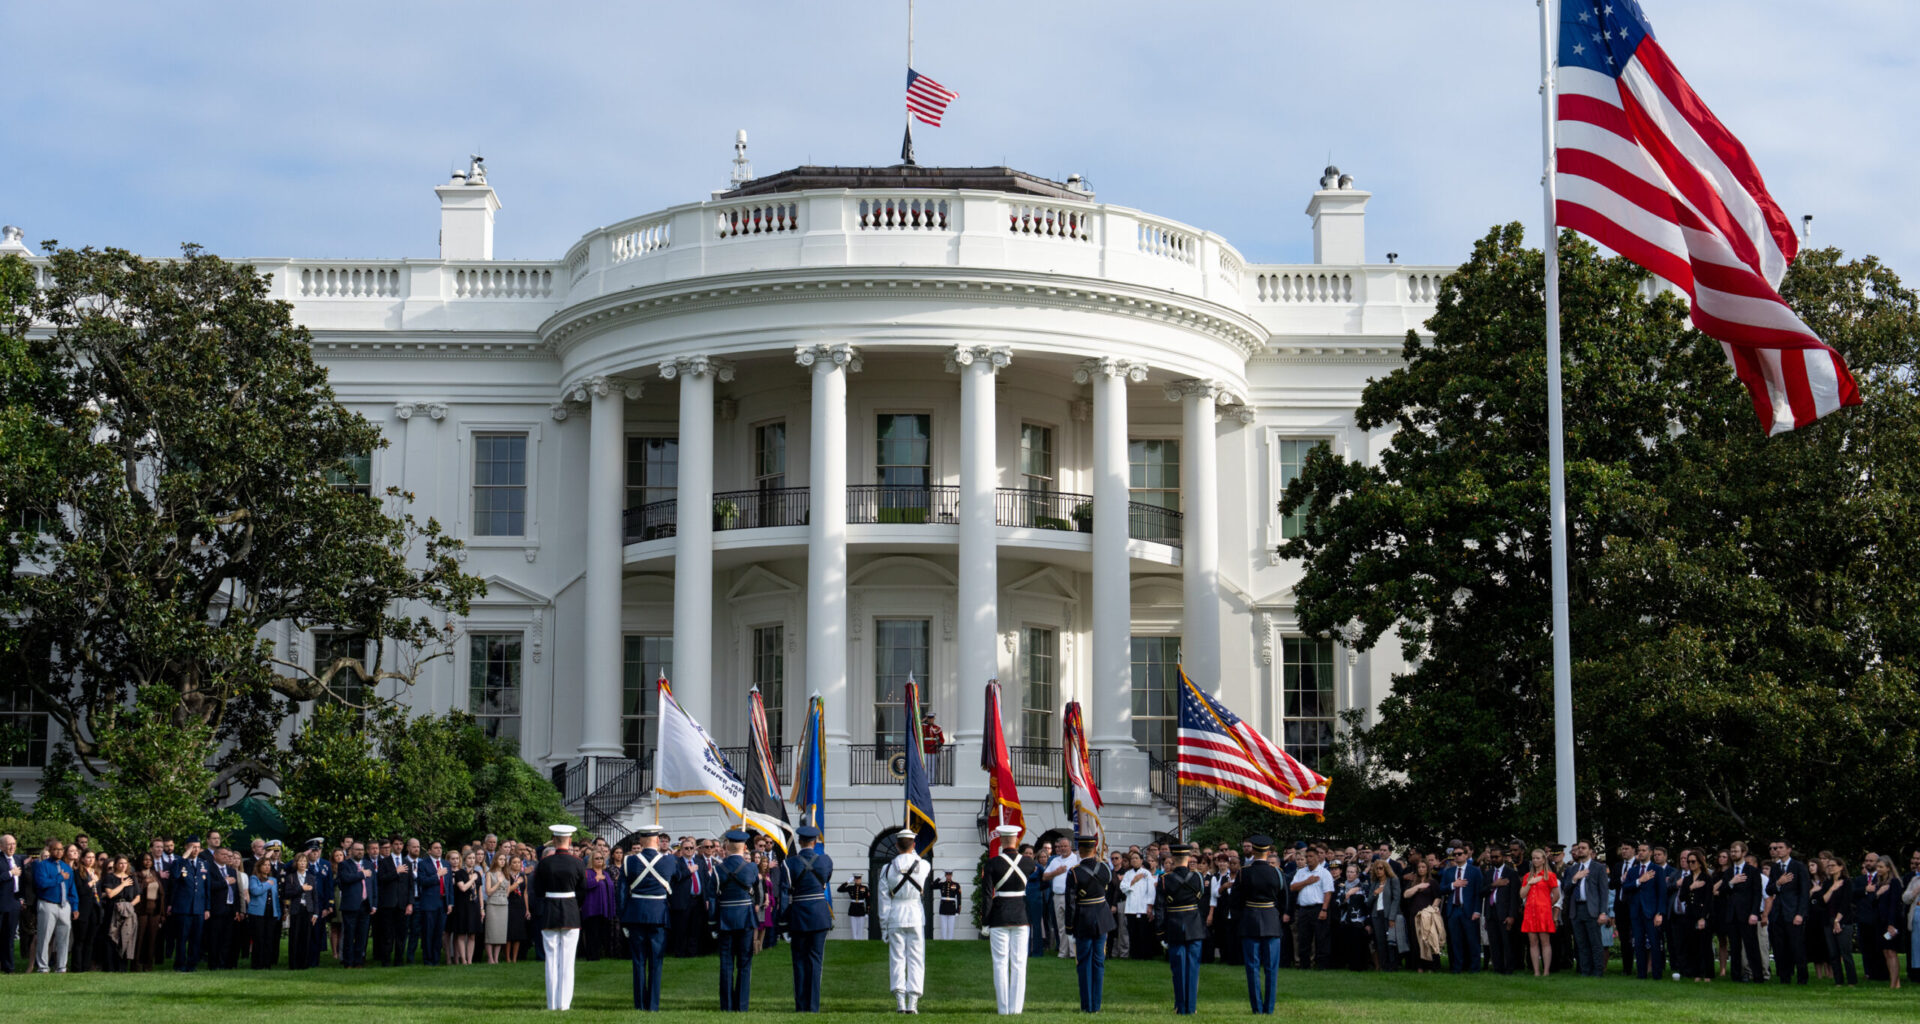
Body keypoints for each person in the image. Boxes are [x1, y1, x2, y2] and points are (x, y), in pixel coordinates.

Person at [620, 823, 684, 1011]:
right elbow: (679, 876)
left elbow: (622, 894)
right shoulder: (669, 861)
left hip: (635, 914)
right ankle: (653, 1005)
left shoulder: (628, 861)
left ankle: (639, 1004)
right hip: (658, 913)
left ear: (640, 840)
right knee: (656, 962)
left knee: (638, 961)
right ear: (657, 840)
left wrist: (623, 919)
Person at [531, 824, 587, 1010]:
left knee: (551, 959)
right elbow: (582, 890)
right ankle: (564, 1005)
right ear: (570, 840)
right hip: (570, 910)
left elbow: (538, 890)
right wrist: (574, 904)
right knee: (568, 961)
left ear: (554, 840)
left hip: (550, 910)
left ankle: (552, 1004)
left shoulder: (544, 863)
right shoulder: (578, 862)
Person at [981, 826, 1034, 1016]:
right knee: (1019, 964)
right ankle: (1016, 1009)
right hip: (1021, 916)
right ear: (1017, 840)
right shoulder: (1029, 863)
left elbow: (987, 895)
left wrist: (985, 922)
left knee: (1000, 963)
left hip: (999, 917)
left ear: (1002, 841)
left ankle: (1003, 1009)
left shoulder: (992, 863)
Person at [780, 824, 833, 1013]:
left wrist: (783, 924)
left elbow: (785, 895)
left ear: (799, 841)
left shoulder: (789, 863)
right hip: (819, 914)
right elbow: (825, 881)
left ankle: (801, 1006)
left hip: (799, 915)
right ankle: (813, 1006)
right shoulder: (826, 861)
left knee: (799, 961)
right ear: (815, 841)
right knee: (815, 961)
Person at [878, 830, 930, 1014]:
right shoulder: (924, 865)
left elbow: (883, 901)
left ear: (897, 845)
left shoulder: (887, 869)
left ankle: (900, 1000)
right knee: (916, 958)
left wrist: (884, 926)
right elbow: (915, 857)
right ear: (914, 845)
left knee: (897, 958)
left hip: (895, 914)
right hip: (915, 914)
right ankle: (912, 1002)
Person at [710, 829, 762, 1012]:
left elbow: (712, 899)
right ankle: (741, 1005)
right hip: (746, 919)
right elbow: (759, 894)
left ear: (727, 846)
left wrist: (712, 924)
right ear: (745, 846)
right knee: (744, 964)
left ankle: (726, 1005)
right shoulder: (752, 868)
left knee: (726, 964)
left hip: (725, 919)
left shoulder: (717, 870)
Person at [1156, 842, 1207, 1015]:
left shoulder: (1164, 879)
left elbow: (1159, 908)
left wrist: (1161, 932)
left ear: (1172, 858)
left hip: (1174, 925)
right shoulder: (1198, 877)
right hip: (1193, 925)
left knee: (1178, 969)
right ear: (1188, 858)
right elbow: (1200, 899)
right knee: (1193, 969)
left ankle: (1180, 1006)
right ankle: (1191, 1007)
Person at [1067, 834, 1115, 1014]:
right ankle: (1096, 1005)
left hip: (1084, 918)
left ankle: (1086, 1005)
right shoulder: (1104, 868)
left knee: (1084, 962)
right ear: (1094, 849)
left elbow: (1071, 903)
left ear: (1079, 850)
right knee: (1098, 962)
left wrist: (1069, 928)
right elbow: (1109, 886)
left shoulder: (1074, 872)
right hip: (1102, 917)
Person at [1765, 839, 1810, 984]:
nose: (1777, 850)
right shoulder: (1775, 868)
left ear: (1789, 849)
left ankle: (1802, 978)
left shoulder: (1798, 867)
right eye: (1776, 848)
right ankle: (1784, 977)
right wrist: (1779, 883)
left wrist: (1800, 914)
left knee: (1797, 947)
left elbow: (1804, 892)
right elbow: (1769, 890)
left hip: (1793, 912)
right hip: (1778, 913)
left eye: (1780, 847)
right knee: (1780, 946)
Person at [1439, 842, 1483, 974]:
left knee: (1472, 940)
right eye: (1455, 855)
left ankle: (1474, 968)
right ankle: (1457, 967)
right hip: (1453, 909)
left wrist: (1477, 910)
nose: (1457, 857)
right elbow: (1441, 889)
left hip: (1469, 910)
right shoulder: (1449, 872)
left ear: (1466, 855)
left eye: (1459, 854)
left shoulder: (1474, 871)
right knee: (1455, 941)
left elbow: (1478, 893)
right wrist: (1453, 885)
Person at [1288, 844, 1333, 969]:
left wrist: (1324, 909)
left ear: (1318, 857)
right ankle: (1304, 965)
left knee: (1321, 938)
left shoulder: (1324, 873)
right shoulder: (1301, 872)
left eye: (1311, 856)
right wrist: (1307, 881)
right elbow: (1292, 887)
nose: (1308, 859)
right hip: (1303, 909)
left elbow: (1328, 892)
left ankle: (1322, 966)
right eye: (1307, 856)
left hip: (1318, 908)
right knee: (1304, 939)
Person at [1520, 848, 1559, 977]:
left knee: (1545, 941)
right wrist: (1529, 884)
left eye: (1538, 858)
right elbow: (1522, 894)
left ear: (1543, 860)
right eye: (1533, 858)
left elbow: (1556, 895)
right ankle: (1536, 971)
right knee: (1533, 942)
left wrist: (1547, 905)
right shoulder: (1528, 876)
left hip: (1543, 912)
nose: (1535, 860)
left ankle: (1546, 971)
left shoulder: (1550, 875)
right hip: (1530, 912)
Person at [338, 841, 375, 968]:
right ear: (351, 851)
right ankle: (348, 962)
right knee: (349, 934)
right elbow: (345, 879)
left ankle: (358, 961)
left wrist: (374, 903)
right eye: (357, 849)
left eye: (362, 849)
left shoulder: (369, 864)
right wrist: (362, 874)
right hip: (350, 905)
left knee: (362, 935)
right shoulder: (344, 865)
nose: (360, 852)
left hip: (365, 905)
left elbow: (373, 886)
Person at [374, 837, 411, 966]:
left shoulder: (407, 863)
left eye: (401, 844)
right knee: (387, 934)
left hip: (402, 904)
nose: (399, 846)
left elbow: (410, 885)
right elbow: (382, 879)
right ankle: (385, 961)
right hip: (388, 904)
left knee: (401, 934)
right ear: (391, 846)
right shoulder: (384, 862)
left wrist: (410, 903)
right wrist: (396, 871)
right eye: (396, 844)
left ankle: (399, 961)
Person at [1482, 845, 1518, 974]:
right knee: (1494, 942)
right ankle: (1497, 968)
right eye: (1492, 857)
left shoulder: (1511, 873)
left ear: (1503, 857)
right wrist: (1493, 885)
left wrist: (1511, 915)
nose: (1494, 859)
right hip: (1491, 911)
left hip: (1505, 912)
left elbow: (1514, 897)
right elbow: (1482, 891)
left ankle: (1509, 968)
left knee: (1507, 942)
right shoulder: (1488, 873)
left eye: (1497, 857)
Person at [241, 855, 280, 970]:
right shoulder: (254, 878)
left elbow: (276, 898)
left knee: (269, 939)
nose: (267, 867)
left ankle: (267, 964)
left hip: (271, 912)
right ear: (259, 866)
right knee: (259, 938)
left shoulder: (273, 880)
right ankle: (257, 964)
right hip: (257, 913)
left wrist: (278, 912)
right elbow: (255, 891)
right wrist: (267, 884)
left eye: (269, 865)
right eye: (265, 865)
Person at [413, 842, 448, 967]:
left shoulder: (445, 863)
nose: (439, 850)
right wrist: (437, 875)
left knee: (439, 932)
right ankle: (427, 959)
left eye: (440, 848)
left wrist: (450, 903)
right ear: (429, 851)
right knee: (428, 932)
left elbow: (448, 885)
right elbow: (422, 881)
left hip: (442, 903)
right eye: (436, 848)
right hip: (429, 903)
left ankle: (436, 959)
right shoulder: (423, 864)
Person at [1043, 836, 1078, 959]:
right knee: (1060, 926)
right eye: (1061, 846)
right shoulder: (1055, 861)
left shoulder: (1076, 859)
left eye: (1065, 846)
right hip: (1057, 896)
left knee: (1072, 924)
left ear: (1070, 847)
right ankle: (1063, 952)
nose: (1063, 848)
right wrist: (1056, 872)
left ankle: (1074, 952)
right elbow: (1045, 876)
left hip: (1071, 897)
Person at [284, 849, 319, 971]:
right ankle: (293, 964)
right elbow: (287, 893)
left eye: (305, 861)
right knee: (294, 937)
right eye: (300, 861)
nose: (303, 863)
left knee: (306, 937)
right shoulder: (291, 877)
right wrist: (301, 888)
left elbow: (315, 897)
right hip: (295, 909)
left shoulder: (311, 877)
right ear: (296, 863)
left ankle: (304, 964)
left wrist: (316, 913)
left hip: (308, 910)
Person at [448, 850, 484, 965]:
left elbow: (479, 892)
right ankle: (463, 959)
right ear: (464, 859)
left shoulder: (477, 874)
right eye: (469, 858)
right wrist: (472, 879)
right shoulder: (460, 873)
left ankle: (470, 960)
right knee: (462, 934)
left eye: (474, 858)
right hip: (462, 906)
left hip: (474, 906)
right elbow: (462, 888)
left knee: (472, 934)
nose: (472, 860)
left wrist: (482, 908)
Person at [103, 855, 139, 972]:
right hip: (113, 909)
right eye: (120, 863)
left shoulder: (132, 878)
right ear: (116, 865)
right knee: (112, 937)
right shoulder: (110, 878)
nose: (123, 866)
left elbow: (138, 896)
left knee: (125, 937)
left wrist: (129, 907)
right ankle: (110, 966)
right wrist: (123, 885)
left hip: (128, 910)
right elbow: (110, 894)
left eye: (125, 863)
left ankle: (122, 967)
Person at [1367, 857, 1403, 973]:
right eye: (1376, 869)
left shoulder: (1393, 880)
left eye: (1381, 868)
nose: (1378, 871)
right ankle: (1383, 965)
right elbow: (1368, 903)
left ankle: (1393, 965)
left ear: (1386, 869)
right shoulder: (1375, 883)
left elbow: (1396, 899)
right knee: (1380, 941)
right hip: (1377, 915)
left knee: (1391, 941)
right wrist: (1374, 894)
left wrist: (1392, 917)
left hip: (1389, 914)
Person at [1332, 861, 1370, 970]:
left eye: (1352, 872)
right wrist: (1347, 895)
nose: (1349, 874)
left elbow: (1367, 904)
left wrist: (1367, 921)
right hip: (1344, 920)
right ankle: (1345, 965)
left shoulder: (1363, 886)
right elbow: (1338, 902)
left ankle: (1359, 966)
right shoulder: (1342, 886)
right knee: (1344, 944)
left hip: (1358, 920)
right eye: (1348, 872)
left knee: (1358, 945)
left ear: (1357, 874)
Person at [579, 850, 616, 962]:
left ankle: (600, 954)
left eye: (601, 858)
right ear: (591, 860)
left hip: (605, 908)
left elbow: (611, 890)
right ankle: (591, 956)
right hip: (592, 908)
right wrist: (596, 879)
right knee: (592, 933)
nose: (599, 860)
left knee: (601, 933)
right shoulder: (587, 872)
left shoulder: (606, 873)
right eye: (597, 858)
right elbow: (584, 886)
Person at [1121, 851, 1156, 960]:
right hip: (1131, 907)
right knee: (1133, 932)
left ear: (1141, 860)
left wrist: (1150, 906)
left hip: (1143, 907)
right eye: (1132, 859)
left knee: (1143, 933)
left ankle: (1145, 955)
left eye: (1136, 858)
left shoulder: (1146, 873)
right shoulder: (1128, 874)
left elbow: (1151, 890)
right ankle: (1134, 954)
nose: (1134, 860)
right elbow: (1123, 887)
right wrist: (1133, 881)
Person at [484, 850, 513, 966]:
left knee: (500, 932)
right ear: (495, 860)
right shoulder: (489, 873)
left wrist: (504, 895)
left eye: (504, 859)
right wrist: (498, 883)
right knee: (491, 931)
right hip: (492, 904)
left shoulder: (507, 874)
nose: (502, 861)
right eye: (500, 859)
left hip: (503, 904)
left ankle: (496, 958)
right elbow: (488, 891)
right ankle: (490, 958)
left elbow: (507, 892)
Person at [837, 874, 869, 941]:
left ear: (861, 879)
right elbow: (839, 889)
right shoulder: (850, 887)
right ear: (854, 880)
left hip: (861, 909)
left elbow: (868, 900)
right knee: (853, 928)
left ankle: (860, 941)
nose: (857, 880)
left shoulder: (865, 888)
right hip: (853, 909)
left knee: (860, 929)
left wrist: (867, 912)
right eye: (856, 879)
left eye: (859, 879)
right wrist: (848, 882)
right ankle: (854, 940)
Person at [936, 871, 961, 941]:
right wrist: (939, 878)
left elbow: (959, 897)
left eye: (949, 875)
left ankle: (950, 940)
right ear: (945, 876)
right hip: (943, 907)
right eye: (947, 875)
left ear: (952, 875)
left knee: (951, 926)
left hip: (952, 907)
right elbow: (931, 886)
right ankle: (943, 940)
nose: (948, 876)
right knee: (943, 926)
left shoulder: (956, 885)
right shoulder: (942, 884)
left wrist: (958, 909)